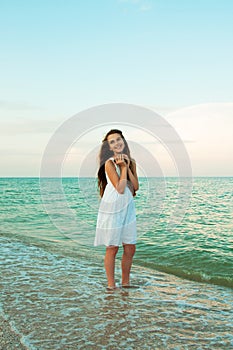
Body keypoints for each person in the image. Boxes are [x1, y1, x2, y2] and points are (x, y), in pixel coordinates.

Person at [94, 129, 139, 290]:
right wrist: (123, 168)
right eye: (112, 142)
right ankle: (111, 286)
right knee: (112, 247)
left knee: (130, 247)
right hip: (112, 207)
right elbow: (120, 188)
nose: (116, 143)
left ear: (123, 141)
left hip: (128, 208)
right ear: (109, 147)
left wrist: (127, 165)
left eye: (118, 139)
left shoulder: (131, 161)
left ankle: (125, 283)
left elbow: (135, 187)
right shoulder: (109, 164)